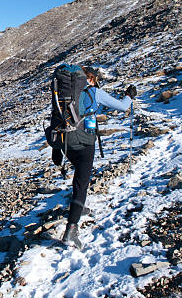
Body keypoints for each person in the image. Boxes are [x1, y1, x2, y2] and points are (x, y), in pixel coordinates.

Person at [53, 66, 137, 248]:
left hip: (64, 141)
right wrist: (129, 96)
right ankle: (71, 230)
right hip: (84, 141)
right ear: (90, 79)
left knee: (78, 172)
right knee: (82, 182)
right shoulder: (94, 92)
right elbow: (122, 106)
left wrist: (56, 149)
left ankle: (79, 207)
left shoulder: (62, 93)